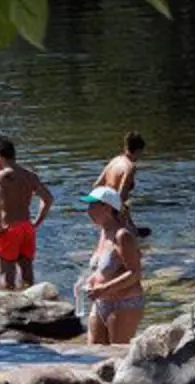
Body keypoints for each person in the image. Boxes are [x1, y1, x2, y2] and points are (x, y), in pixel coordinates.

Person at [81, 186, 144, 344]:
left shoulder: (122, 235)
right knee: (93, 352)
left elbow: (134, 273)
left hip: (124, 303)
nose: (88, 211)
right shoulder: (104, 232)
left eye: (92, 206)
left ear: (107, 207)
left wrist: (104, 288)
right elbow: (102, 268)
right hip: (101, 302)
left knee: (116, 355)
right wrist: (91, 280)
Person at [0, 137, 53, 290]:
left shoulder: (1, 176)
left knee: (7, 275)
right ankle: (31, 303)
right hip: (26, 227)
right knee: (27, 272)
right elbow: (48, 199)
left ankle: (10, 310)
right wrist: (36, 223)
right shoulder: (29, 175)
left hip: (9, 228)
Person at [93, 131, 145, 232]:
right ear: (138, 150)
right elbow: (121, 196)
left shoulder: (115, 160)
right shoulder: (130, 167)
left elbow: (96, 185)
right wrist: (127, 225)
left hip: (99, 208)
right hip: (114, 211)